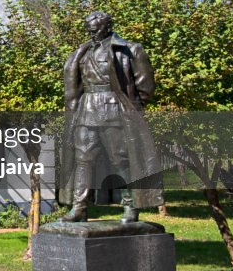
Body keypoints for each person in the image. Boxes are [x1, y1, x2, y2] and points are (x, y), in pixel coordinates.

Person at [60, 11, 163, 223]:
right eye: (88, 28)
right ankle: (79, 207)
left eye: (95, 28)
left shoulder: (130, 50)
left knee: (120, 159)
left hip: (114, 109)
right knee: (83, 159)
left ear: (107, 26)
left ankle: (130, 206)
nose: (91, 31)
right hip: (86, 109)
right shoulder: (82, 52)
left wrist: (130, 108)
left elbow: (145, 86)